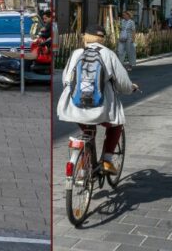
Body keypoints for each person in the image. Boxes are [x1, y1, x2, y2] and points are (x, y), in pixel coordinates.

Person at [57, 24, 138, 174]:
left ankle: (85, 165)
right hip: (101, 106)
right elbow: (122, 83)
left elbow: (66, 80)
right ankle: (106, 160)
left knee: (88, 129)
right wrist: (131, 88)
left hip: (75, 105)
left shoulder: (76, 53)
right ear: (102, 39)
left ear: (85, 37)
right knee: (116, 124)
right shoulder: (108, 54)